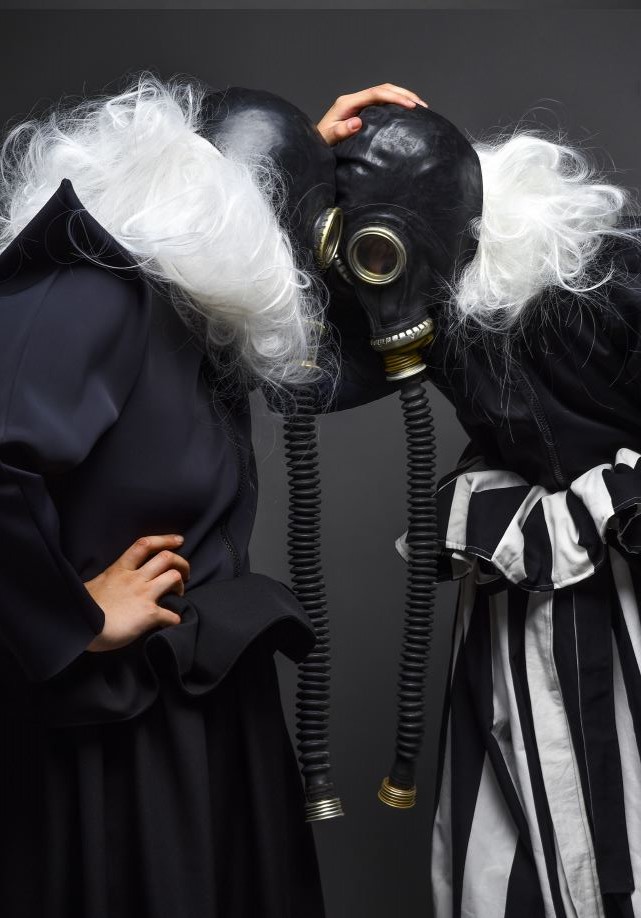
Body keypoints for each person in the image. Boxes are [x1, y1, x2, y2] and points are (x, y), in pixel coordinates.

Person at [0, 76, 426, 918]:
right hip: (115, 723)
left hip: (202, 698)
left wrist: (293, 160)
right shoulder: (93, 284)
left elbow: (328, 356)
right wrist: (72, 618)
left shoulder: (185, 295)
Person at [331, 101, 641, 918]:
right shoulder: (426, 291)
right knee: (513, 850)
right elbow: (302, 373)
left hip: (623, 592)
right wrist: (300, 169)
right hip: (520, 605)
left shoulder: (606, 275)